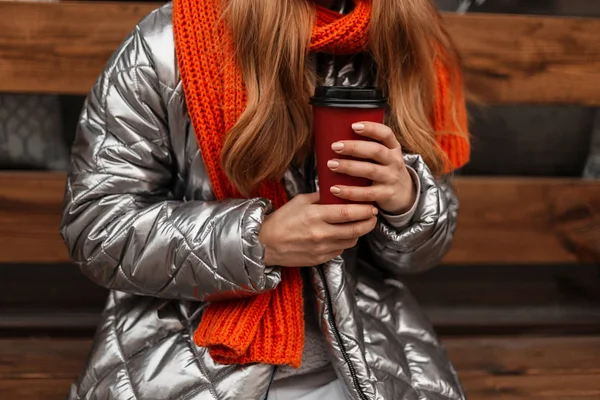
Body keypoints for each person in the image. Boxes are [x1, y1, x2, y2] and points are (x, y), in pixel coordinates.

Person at [60, 0, 470, 399]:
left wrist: (408, 202)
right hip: (193, 351)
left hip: (368, 355)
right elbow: (98, 226)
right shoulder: (166, 44)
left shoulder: (407, 41)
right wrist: (258, 241)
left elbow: (423, 252)